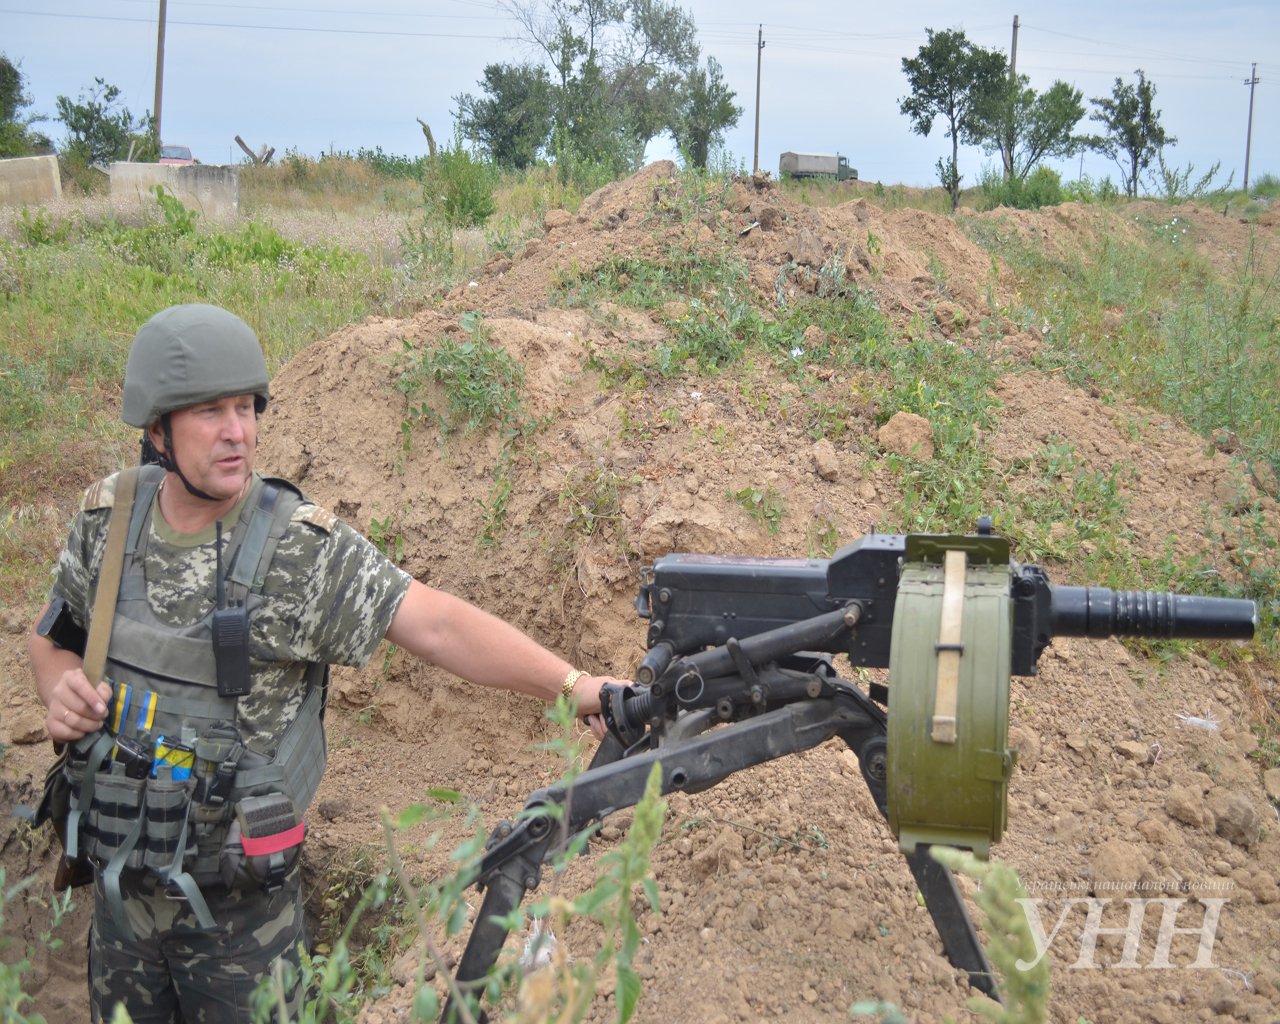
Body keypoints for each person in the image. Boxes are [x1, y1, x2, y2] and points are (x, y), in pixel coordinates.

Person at [28, 303, 619, 1023]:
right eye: (209, 412)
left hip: (240, 924)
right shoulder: (107, 520)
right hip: (120, 902)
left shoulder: (298, 550)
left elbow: (434, 623)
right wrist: (58, 688)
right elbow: (52, 637)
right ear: (157, 429)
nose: (238, 432)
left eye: (246, 407)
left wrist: (574, 686)